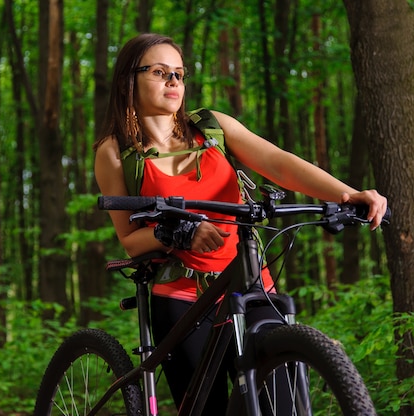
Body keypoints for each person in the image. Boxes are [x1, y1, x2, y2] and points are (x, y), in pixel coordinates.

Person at [94, 33, 388, 414]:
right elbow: (130, 241)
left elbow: (279, 162)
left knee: (283, 405)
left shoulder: (212, 128)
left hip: (251, 285)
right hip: (184, 298)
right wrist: (178, 233)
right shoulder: (116, 152)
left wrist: (345, 194)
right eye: (159, 71)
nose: (173, 82)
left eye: (179, 74)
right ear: (127, 82)